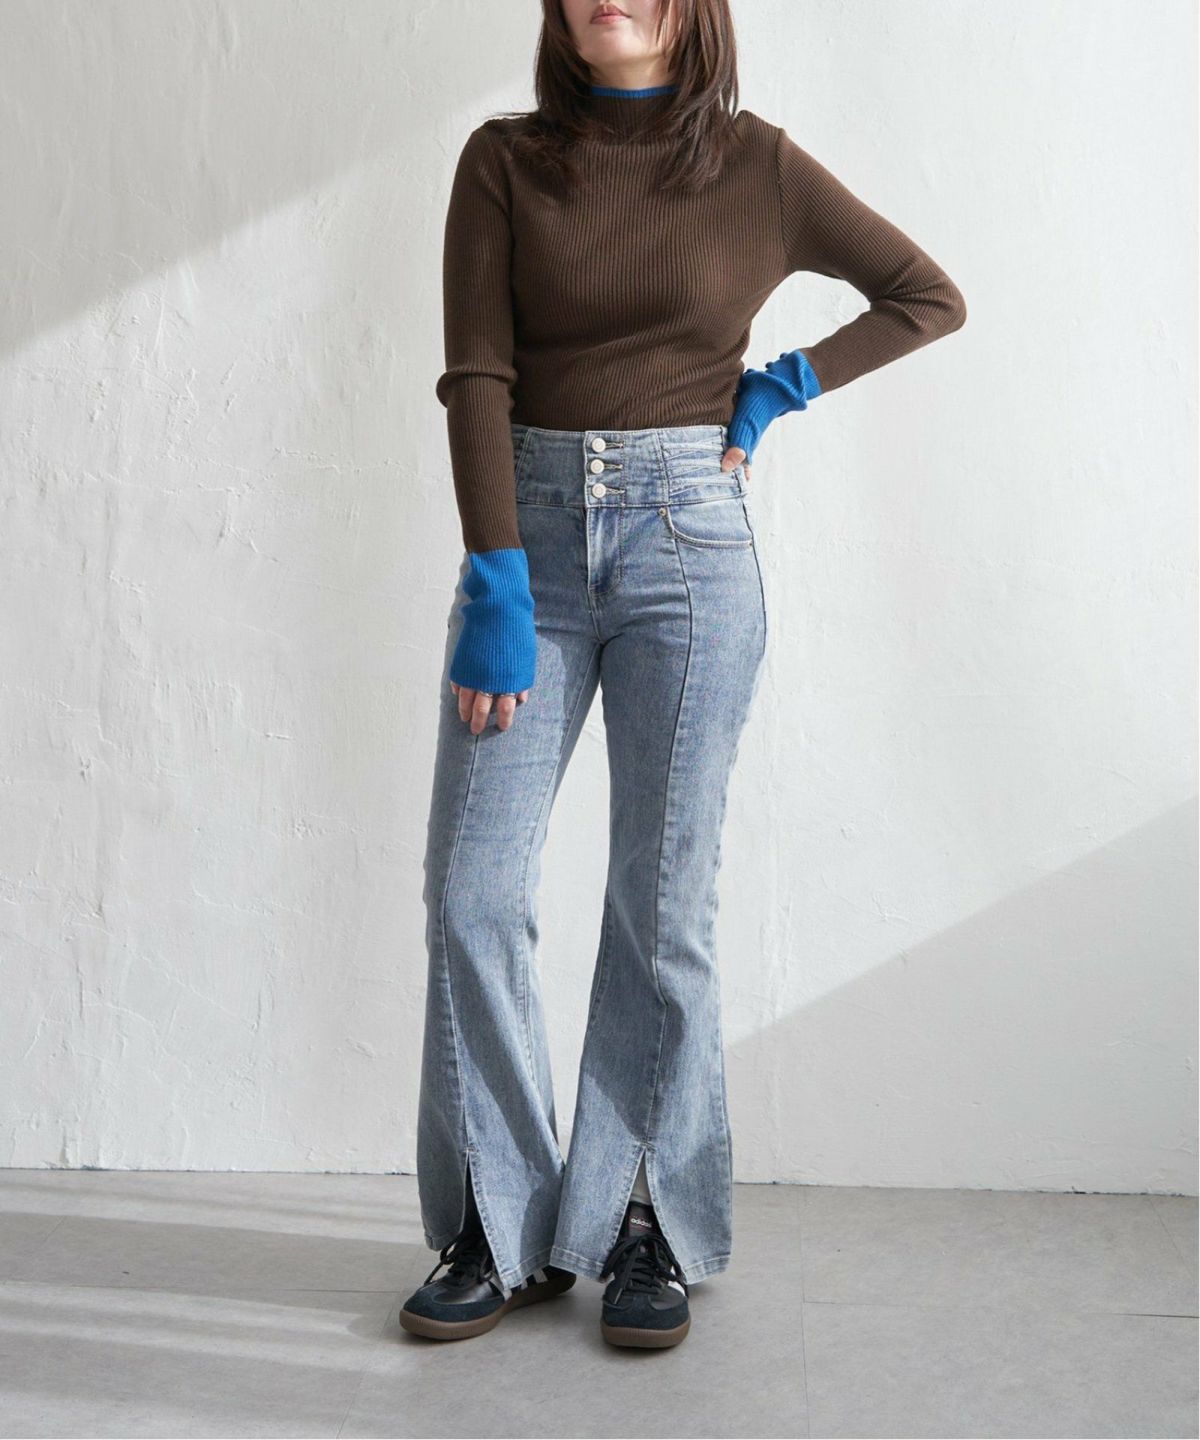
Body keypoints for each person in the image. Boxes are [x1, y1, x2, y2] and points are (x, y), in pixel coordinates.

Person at [400, 0, 966, 1350]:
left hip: (688, 552)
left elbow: (924, 295)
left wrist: (780, 387)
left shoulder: (755, 165)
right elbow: (477, 375)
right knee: (472, 889)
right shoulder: (504, 161)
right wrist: (495, 580)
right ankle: (498, 1221)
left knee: (662, 907)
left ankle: (641, 1215)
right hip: (528, 548)